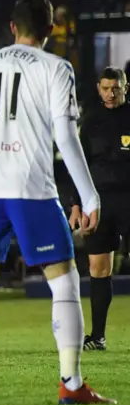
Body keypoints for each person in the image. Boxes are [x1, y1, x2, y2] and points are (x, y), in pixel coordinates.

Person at [0, 0, 115, 405]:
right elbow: (66, 138)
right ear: (51, 29)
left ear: (11, 27)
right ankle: (71, 384)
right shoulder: (58, 69)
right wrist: (90, 195)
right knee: (66, 284)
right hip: (31, 193)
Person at [68, 67, 130, 351]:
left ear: (125, 87)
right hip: (99, 202)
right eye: (105, 88)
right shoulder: (90, 123)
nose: (110, 93)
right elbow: (77, 166)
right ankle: (98, 336)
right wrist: (76, 204)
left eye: (115, 87)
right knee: (98, 267)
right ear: (98, 88)